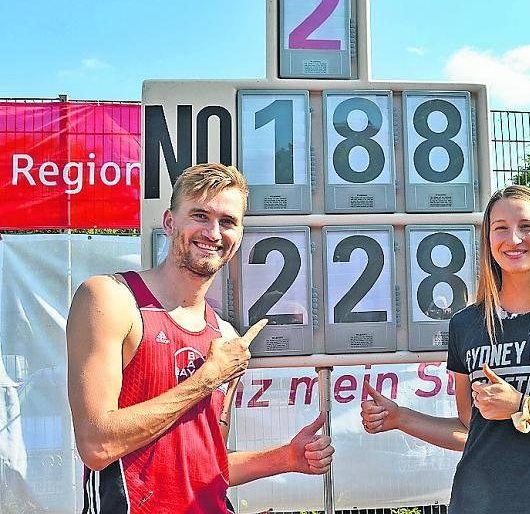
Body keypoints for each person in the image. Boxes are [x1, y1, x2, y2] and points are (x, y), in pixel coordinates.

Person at [66, 163, 334, 513]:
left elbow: (207, 463)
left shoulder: (225, 338)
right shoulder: (111, 299)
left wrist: (284, 458)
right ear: (169, 222)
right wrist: (206, 379)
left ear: (238, 237)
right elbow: (97, 444)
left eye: (227, 221)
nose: (213, 232)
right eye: (200, 215)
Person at [360, 185, 530, 514]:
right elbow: (469, 429)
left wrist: (523, 407)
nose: (513, 239)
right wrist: (400, 417)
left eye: (526, 226)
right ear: (488, 240)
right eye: (500, 228)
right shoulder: (466, 324)